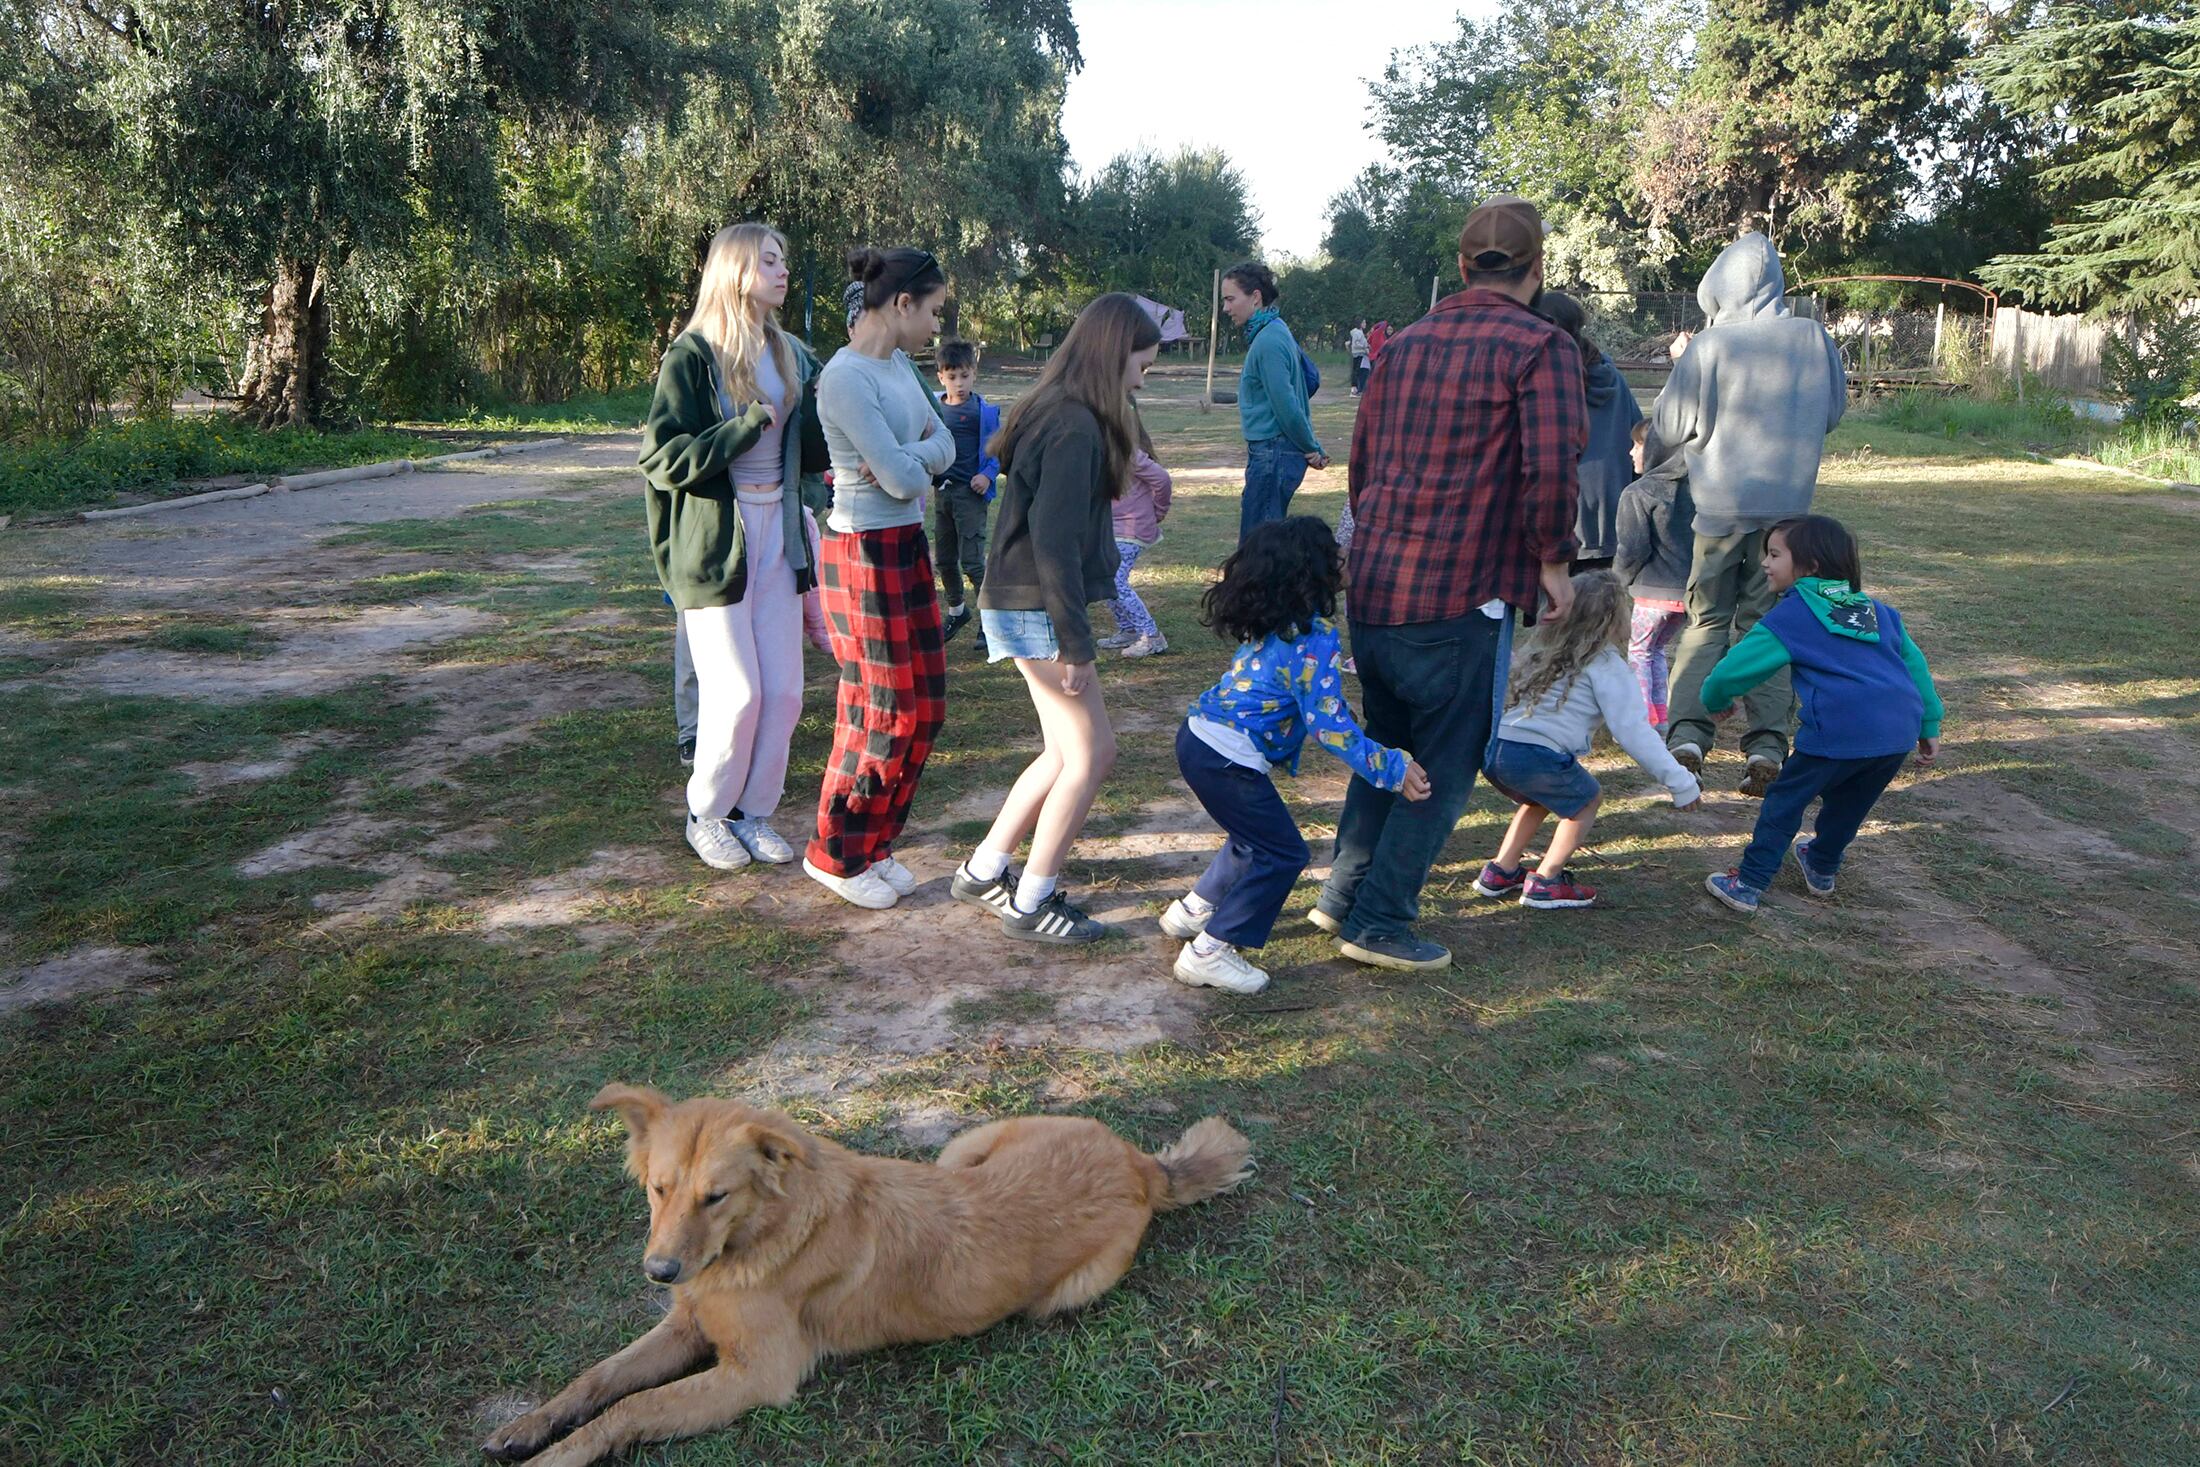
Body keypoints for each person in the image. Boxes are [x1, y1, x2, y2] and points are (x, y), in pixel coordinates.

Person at [1311, 195, 1588, 972]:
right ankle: (1382, 919)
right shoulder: (1541, 347)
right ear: (1537, 268)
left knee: (1389, 748)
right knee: (1448, 759)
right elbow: (1550, 467)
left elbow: (1361, 472)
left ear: (1463, 267)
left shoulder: (1399, 346)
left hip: (1378, 588)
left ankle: (1340, 897)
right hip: (1461, 594)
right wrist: (1554, 562)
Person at [950, 293, 1164, 943]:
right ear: (1112, 353)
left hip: (1022, 603)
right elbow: (1054, 542)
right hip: (1034, 607)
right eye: (1142, 366)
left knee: (1067, 749)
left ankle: (985, 870)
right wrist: (1076, 643)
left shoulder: (1066, 410)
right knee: (1093, 752)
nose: (1141, 378)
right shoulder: (1072, 424)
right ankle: (1030, 899)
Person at [1162, 517, 1431, 994]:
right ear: (1314, 570)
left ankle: (1192, 911)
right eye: (1336, 553)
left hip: (1199, 739)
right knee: (1282, 852)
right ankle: (1209, 951)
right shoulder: (1313, 635)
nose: (1345, 559)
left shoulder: (1272, 621)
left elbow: (1310, 703)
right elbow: (1329, 728)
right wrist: (1392, 766)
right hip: (1227, 759)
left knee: (1251, 838)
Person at [639, 222, 831, 874]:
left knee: (784, 694)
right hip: (715, 542)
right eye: (769, 260)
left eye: (783, 259)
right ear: (736, 271)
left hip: (779, 536)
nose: (782, 271)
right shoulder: (692, 356)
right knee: (738, 693)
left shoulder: (791, 352)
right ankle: (707, 813)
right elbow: (661, 457)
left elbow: (812, 441)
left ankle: (753, 814)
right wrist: (744, 427)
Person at [1644, 231, 1848, 797]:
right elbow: (1831, 414)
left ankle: (1688, 736)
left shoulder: (1711, 347)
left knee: (1706, 619)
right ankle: (1766, 746)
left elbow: (1668, 427)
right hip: (1787, 517)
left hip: (1718, 511)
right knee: (1768, 628)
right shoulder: (1813, 337)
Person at [806, 246, 957, 909]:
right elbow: (898, 478)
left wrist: (910, 457)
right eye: (934, 311)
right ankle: (836, 853)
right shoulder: (844, 379)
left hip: (904, 541)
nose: (936, 327)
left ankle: (876, 842)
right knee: (881, 711)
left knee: (925, 707)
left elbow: (944, 442)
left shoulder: (896, 364)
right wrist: (909, 461)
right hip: (861, 552)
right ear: (901, 305)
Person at [1703, 515, 1942, 913]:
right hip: (1896, 733)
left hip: (1837, 731)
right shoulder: (1877, 611)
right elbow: (1914, 666)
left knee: (1784, 802)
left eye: (1775, 554)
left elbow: (1732, 670)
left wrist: (1716, 700)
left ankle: (1748, 882)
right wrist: (1928, 723)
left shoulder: (1794, 616)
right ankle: (1821, 864)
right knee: (1851, 804)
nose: (1765, 563)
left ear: (1810, 567)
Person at [1471, 570, 1702, 910]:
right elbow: (1634, 733)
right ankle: (1546, 882)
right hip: (1535, 755)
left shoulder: (1543, 651)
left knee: (1541, 797)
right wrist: (1679, 782)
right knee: (1586, 800)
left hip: (1497, 751)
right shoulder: (1607, 665)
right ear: (1616, 618)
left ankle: (1500, 870)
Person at [1218, 261, 1326, 538]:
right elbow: (1309, 379)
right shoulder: (1277, 330)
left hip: (1273, 454)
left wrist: (1311, 446)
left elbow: (1286, 404)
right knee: (1263, 546)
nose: (1226, 308)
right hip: (1273, 453)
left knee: (1259, 550)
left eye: (1230, 299)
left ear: (1255, 297)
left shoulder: (1268, 340)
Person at [1539, 291, 1643, 572]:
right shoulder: (1613, 377)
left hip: (1563, 518)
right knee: (1597, 611)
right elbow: (1641, 439)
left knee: (1551, 612)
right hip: (1611, 514)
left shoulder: (1547, 382)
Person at [1614, 420, 1693, 726]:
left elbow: (1632, 548)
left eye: (1638, 445)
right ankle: (1660, 713)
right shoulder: (1696, 491)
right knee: (1656, 651)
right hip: (1686, 595)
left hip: (1652, 593)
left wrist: (1616, 582)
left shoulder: (1638, 492)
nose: (1631, 451)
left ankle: (1639, 718)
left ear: (1658, 450)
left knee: (1638, 651)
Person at [930, 338, 1002, 653]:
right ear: (940, 377)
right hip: (941, 495)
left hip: (969, 496)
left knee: (972, 562)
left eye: (964, 375)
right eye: (952, 376)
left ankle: (991, 624)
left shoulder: (982, 411)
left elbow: (999, 451)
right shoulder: (932, 406)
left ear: (974, 374)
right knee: (944, 560)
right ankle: (957, 612)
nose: (959, 383)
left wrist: (986, 475)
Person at [1098, 415, 1172, 659]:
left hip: (1131, 529)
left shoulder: (1129, 456)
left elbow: (1162, 479)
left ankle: (1151, 636)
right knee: (1106, 578)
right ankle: (1128, 629)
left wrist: (1158, 510)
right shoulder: (1102, 456)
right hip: (1112, 529)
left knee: (1116, 580)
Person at [1348, 318, 1371, 396]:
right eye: (1363, 322)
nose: (1365, 324)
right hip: (1358, 353)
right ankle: (1354, 390)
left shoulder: (1360, 332)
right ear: (1360, 323)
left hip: (1360, 353)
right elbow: (1355, 343)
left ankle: (1357, 389)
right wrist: (1364, 347)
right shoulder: (1357, 333)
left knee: (1357, 371)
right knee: (1356, 372)